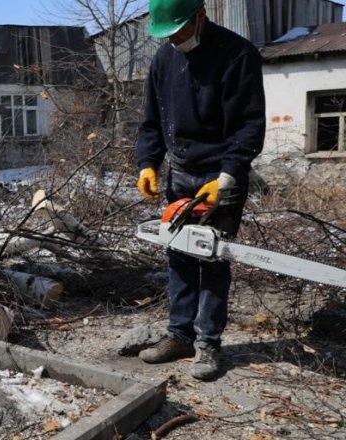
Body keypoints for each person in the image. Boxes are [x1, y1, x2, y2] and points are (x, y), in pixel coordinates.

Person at [134, 0, 266, 380]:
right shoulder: (163, 60)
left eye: (178, 31)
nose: (174, 39)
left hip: (218, 173)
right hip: (179, 173)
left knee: (212, 259)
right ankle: (179, 336)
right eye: (167, 34)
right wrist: (147, 161)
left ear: (199, 16)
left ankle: (207, 343)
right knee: (179, 257)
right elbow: (151, 121)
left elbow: (248, 125)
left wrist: (229, 175)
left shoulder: (238, 55)